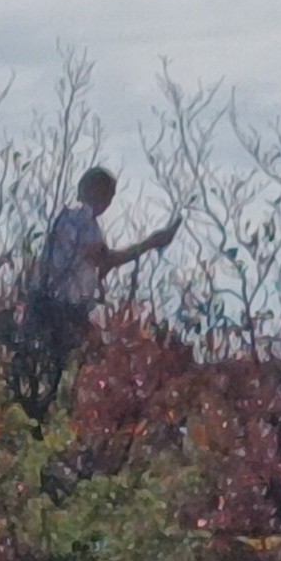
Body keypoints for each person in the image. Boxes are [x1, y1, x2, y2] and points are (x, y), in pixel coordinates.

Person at [17, 166, 177, 411]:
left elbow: (94, 267)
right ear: (95, 191)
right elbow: (105, 261)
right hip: (61, 310)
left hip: (44, 304)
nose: (109, 204)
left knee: (38, 373)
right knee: (59, 377)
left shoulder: (64, 219)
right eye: (108, 196)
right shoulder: (84, 220)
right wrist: (150, 243)